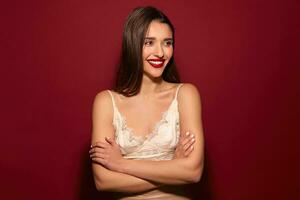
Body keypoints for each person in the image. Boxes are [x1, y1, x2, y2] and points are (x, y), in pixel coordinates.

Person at [89, 6, 205, 200]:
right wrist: (173, 168)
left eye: (167, 43)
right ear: (133, 45)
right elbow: (103, 181)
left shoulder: (186, 95)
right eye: (149, 43)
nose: (160, 52)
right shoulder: (105, 102)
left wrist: (120, 164)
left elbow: (193, 172)